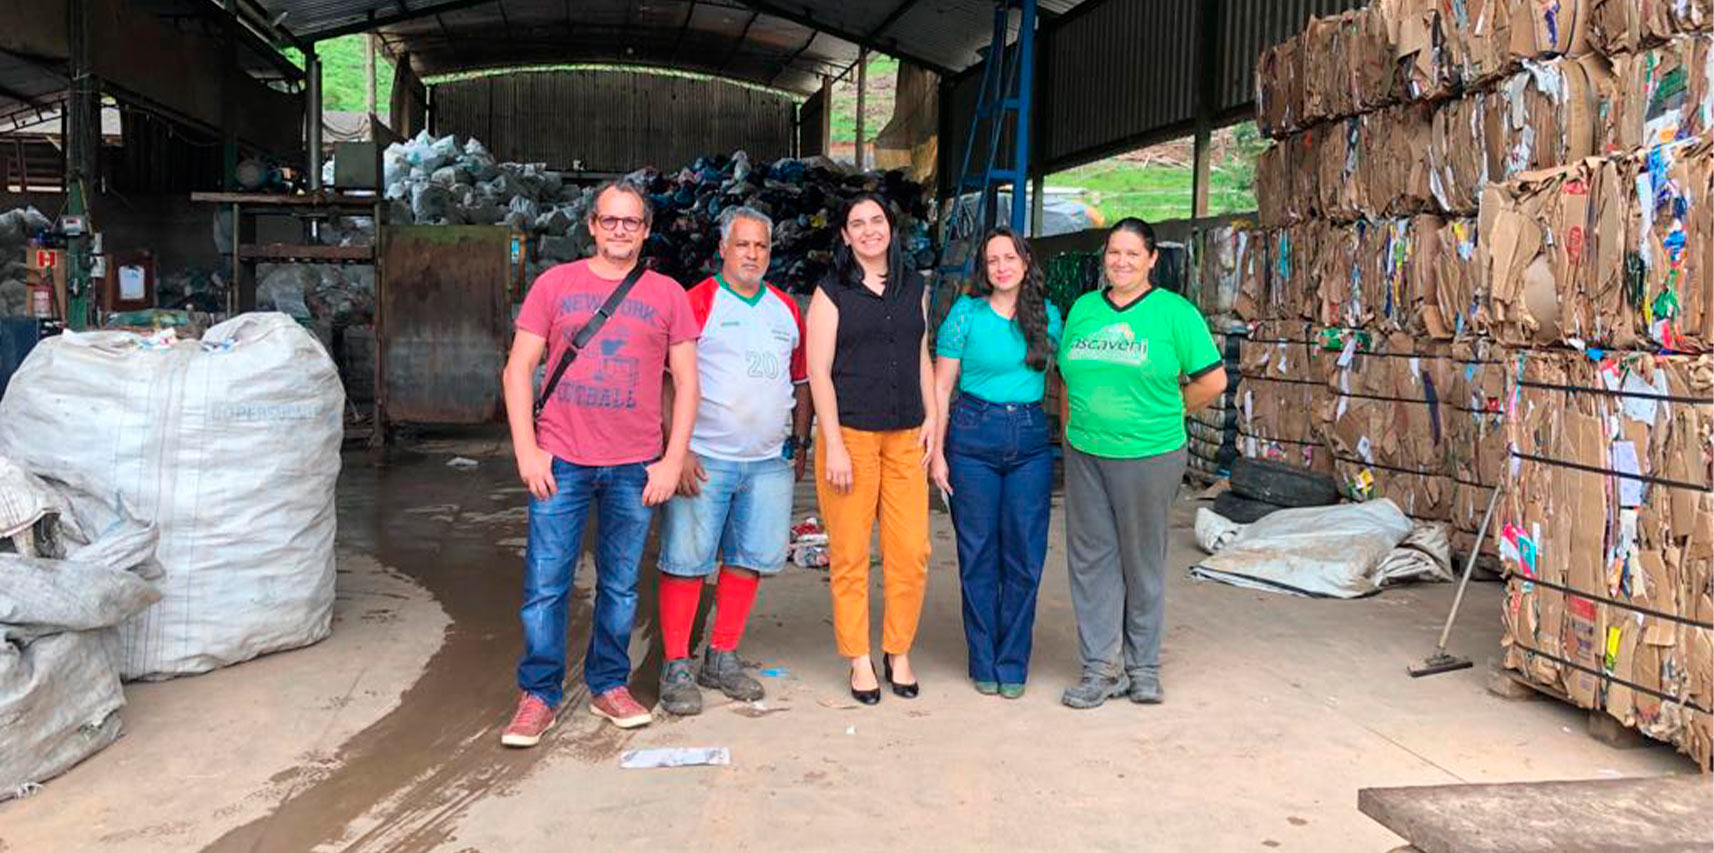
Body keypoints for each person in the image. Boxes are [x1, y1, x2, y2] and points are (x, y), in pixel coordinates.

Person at [499, 180, 700, 746]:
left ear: (645, 230)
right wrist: (526, 449)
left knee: (619, 587)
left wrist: (671, 459)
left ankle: (608, 684)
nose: (619, 230)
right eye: (610, 220)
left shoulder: (667, 295)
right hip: (560, 458)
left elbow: (687, 384)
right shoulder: (554, 285)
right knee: (546, 583)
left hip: (635, 464)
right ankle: (538, 695)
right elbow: (519, 370)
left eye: (631, 222)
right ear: (591, 225)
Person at [1056, 217, 1226, 710]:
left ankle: (1143, 669)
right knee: (1091, 562)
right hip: (1087, 452)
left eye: (1132, 253)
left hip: (1149, 454)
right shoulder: (1084, 309)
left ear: (1152, 259)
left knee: (1142, 559)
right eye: (1113, 252)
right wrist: (1072, 433)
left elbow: (1212, 381)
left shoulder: (1175, 313)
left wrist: (1167, 412)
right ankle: (1099, 669)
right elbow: (1068, 376)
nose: (1121, 262)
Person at [655, 206, 812, 716]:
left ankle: (721, 657)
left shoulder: (786, 309)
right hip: (706, 458)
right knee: (686, 561)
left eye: (762, 246)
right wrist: (676, 450)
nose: (752, 254)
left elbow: (801, 381)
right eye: (742, 245)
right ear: (722, 249)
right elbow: (666, 381)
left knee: (748, 559)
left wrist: (801, 443)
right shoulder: (697, 302)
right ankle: (676, 663)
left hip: (768, 461)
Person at [805, 194, 935, 705]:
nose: (867, 230)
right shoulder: (831, 291)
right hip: (851, 438)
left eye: (876, 220)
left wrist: (932, 421)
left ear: (891, 226)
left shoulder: (915, 287)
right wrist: (831, 442)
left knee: (911, 552)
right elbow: (818, 371)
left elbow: (921, 355)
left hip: (906, 437)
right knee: (850, 553)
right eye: (856, 224)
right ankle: (858, 656)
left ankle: (897, 650)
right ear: (844, 236)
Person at [930, 228, 1062, 700]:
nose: (1002, 266)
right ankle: (983, 659)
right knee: (978, 554)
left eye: (1010, 257)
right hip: (972, 437)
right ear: (984, 270)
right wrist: (937, 453)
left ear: (1026, 263)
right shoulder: (965, 315)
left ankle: (1014, 663)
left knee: (1025, 555)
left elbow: (1071, 380)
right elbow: (942, 387)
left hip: (1029, 439)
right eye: (992, 260)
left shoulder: (1047, 317)